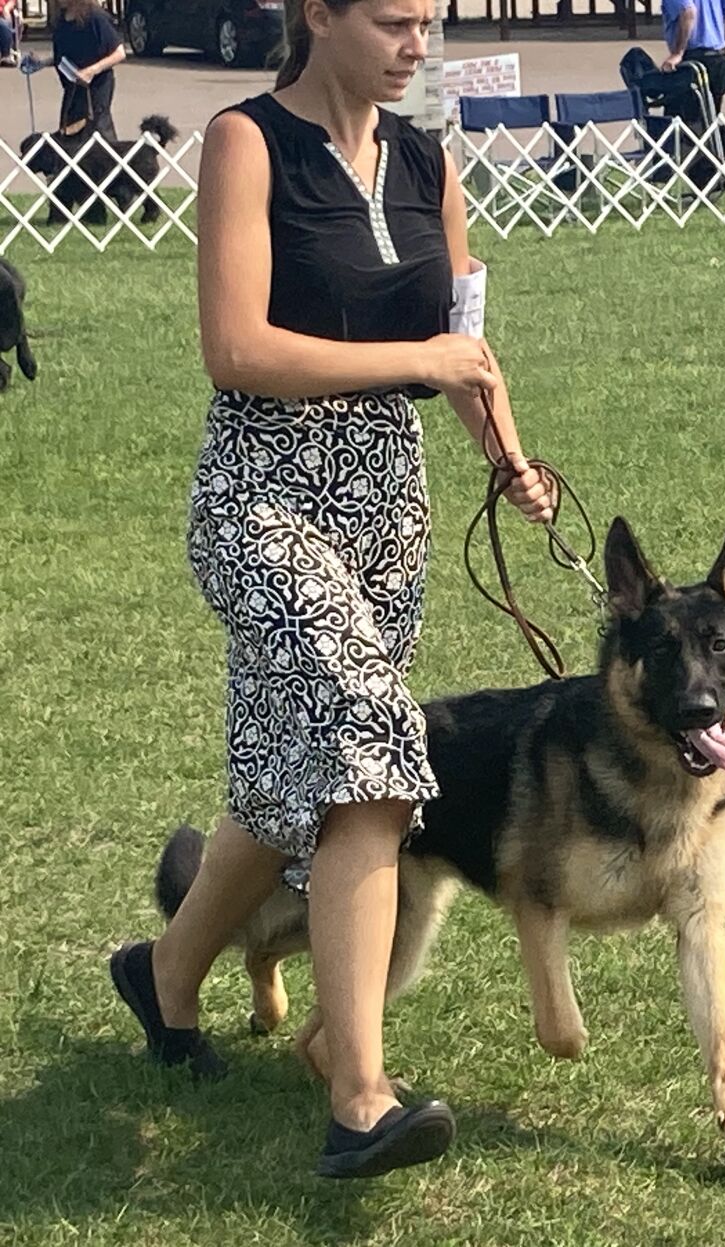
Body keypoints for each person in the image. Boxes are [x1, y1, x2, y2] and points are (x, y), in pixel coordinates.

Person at [106, 0, 554, 1180]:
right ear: (321, 15)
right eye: (398, 20)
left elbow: (464, 339)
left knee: (282, 773)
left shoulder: (424, 160)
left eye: (432, 22)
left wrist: (509, 456)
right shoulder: (246, 140)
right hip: (262, 499)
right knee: (366, 745)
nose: (420, 43)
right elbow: (237, 349)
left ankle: (163, 981)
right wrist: (419, 363)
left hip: (385, 513)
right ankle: (358, 1093)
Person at [660, 0, 725, 189]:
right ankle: (714, 169)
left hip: (693, 58)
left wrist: (678, 52)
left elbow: (688, 11)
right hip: (717, 57)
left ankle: (692, 173)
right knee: (710, 117)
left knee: (685, 119)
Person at [47, 0, 123, 140]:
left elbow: (119, 53)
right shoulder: (61, 19)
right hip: (72, 86)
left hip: (97, 84)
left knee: (98, 129)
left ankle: (110, 160)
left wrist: (91, 70)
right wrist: (42, 63)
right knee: (69, 131)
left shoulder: (96, 17)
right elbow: (67, 56)